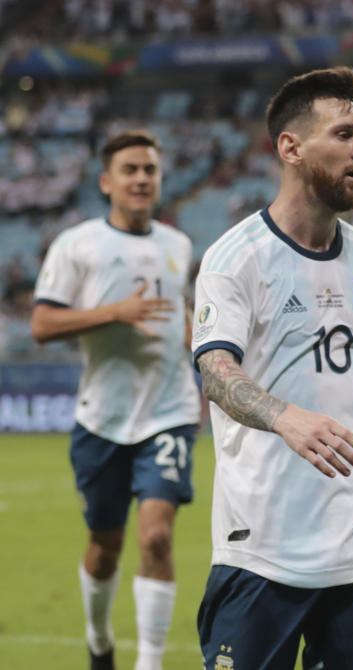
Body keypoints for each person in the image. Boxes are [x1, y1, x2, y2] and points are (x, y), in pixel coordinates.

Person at [191, 66, 353, 670]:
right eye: (343, 135)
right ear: (291, 147)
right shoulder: (235, 260)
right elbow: (215, 370)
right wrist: (286, 418)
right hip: (265, 551)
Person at [31, 130, 200, 670]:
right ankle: (99, 641)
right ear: (107, 182)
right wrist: (113, 313)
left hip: (170, 411)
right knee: (104, 548)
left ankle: (147, 664)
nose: (142, 178)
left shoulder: (178, 245)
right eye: (130, 169)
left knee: (155, 538)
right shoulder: (77, 245)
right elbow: (42, 323)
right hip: (102, 418)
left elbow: (181, 314)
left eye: (149, 169)